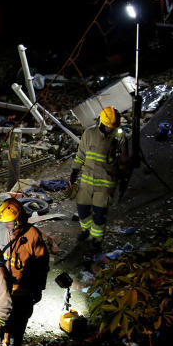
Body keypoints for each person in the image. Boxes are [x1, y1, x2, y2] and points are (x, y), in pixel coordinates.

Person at [0, 198, 49, 346]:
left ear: (19, 220)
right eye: (4, 223)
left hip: (24, 289)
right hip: (4, 288)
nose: (7, 226)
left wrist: (39, 289)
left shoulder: (32, 234)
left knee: (18, 326)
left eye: (10, 223)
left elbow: (41, 264)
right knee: (0, 322)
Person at [69, 106, 130, 250]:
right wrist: (74, 171)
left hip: (105, 183)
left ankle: (97, 238)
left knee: (99, 214)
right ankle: (86, 230)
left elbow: (123, 160)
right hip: (87, 181)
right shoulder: (89, 134)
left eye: (113, 127)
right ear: (101, 122)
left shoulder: (119, 138)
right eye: (108, 126)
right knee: (82, 210)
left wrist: (122, 176)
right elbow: (81, 154)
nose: (110, 129)